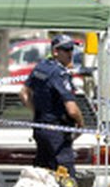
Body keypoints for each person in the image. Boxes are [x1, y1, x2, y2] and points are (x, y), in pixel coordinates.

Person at [19, 34, 84, 176]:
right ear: (55, 52)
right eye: (66, 50)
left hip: (40, 127)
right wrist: (81, 122)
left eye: (72, 50)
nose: (70, 54)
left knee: (42, 174)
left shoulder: (41, 67)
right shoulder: (59, 74)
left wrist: (37, 113)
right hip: (57, 133)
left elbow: (23, 93)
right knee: (66, 175)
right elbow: (72, 110)